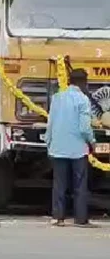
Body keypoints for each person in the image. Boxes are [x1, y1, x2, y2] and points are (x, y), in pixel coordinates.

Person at [46, 68, 95, 227]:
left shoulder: (57, 98)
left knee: (59, 184)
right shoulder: (83, 99)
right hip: (77, 149)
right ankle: (80, 219)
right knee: (79, 185)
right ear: (83, 82)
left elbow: (50, 124)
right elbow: (84, 127)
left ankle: (57, 217)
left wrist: (49, 144)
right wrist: (92, 141)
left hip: (58, 147)